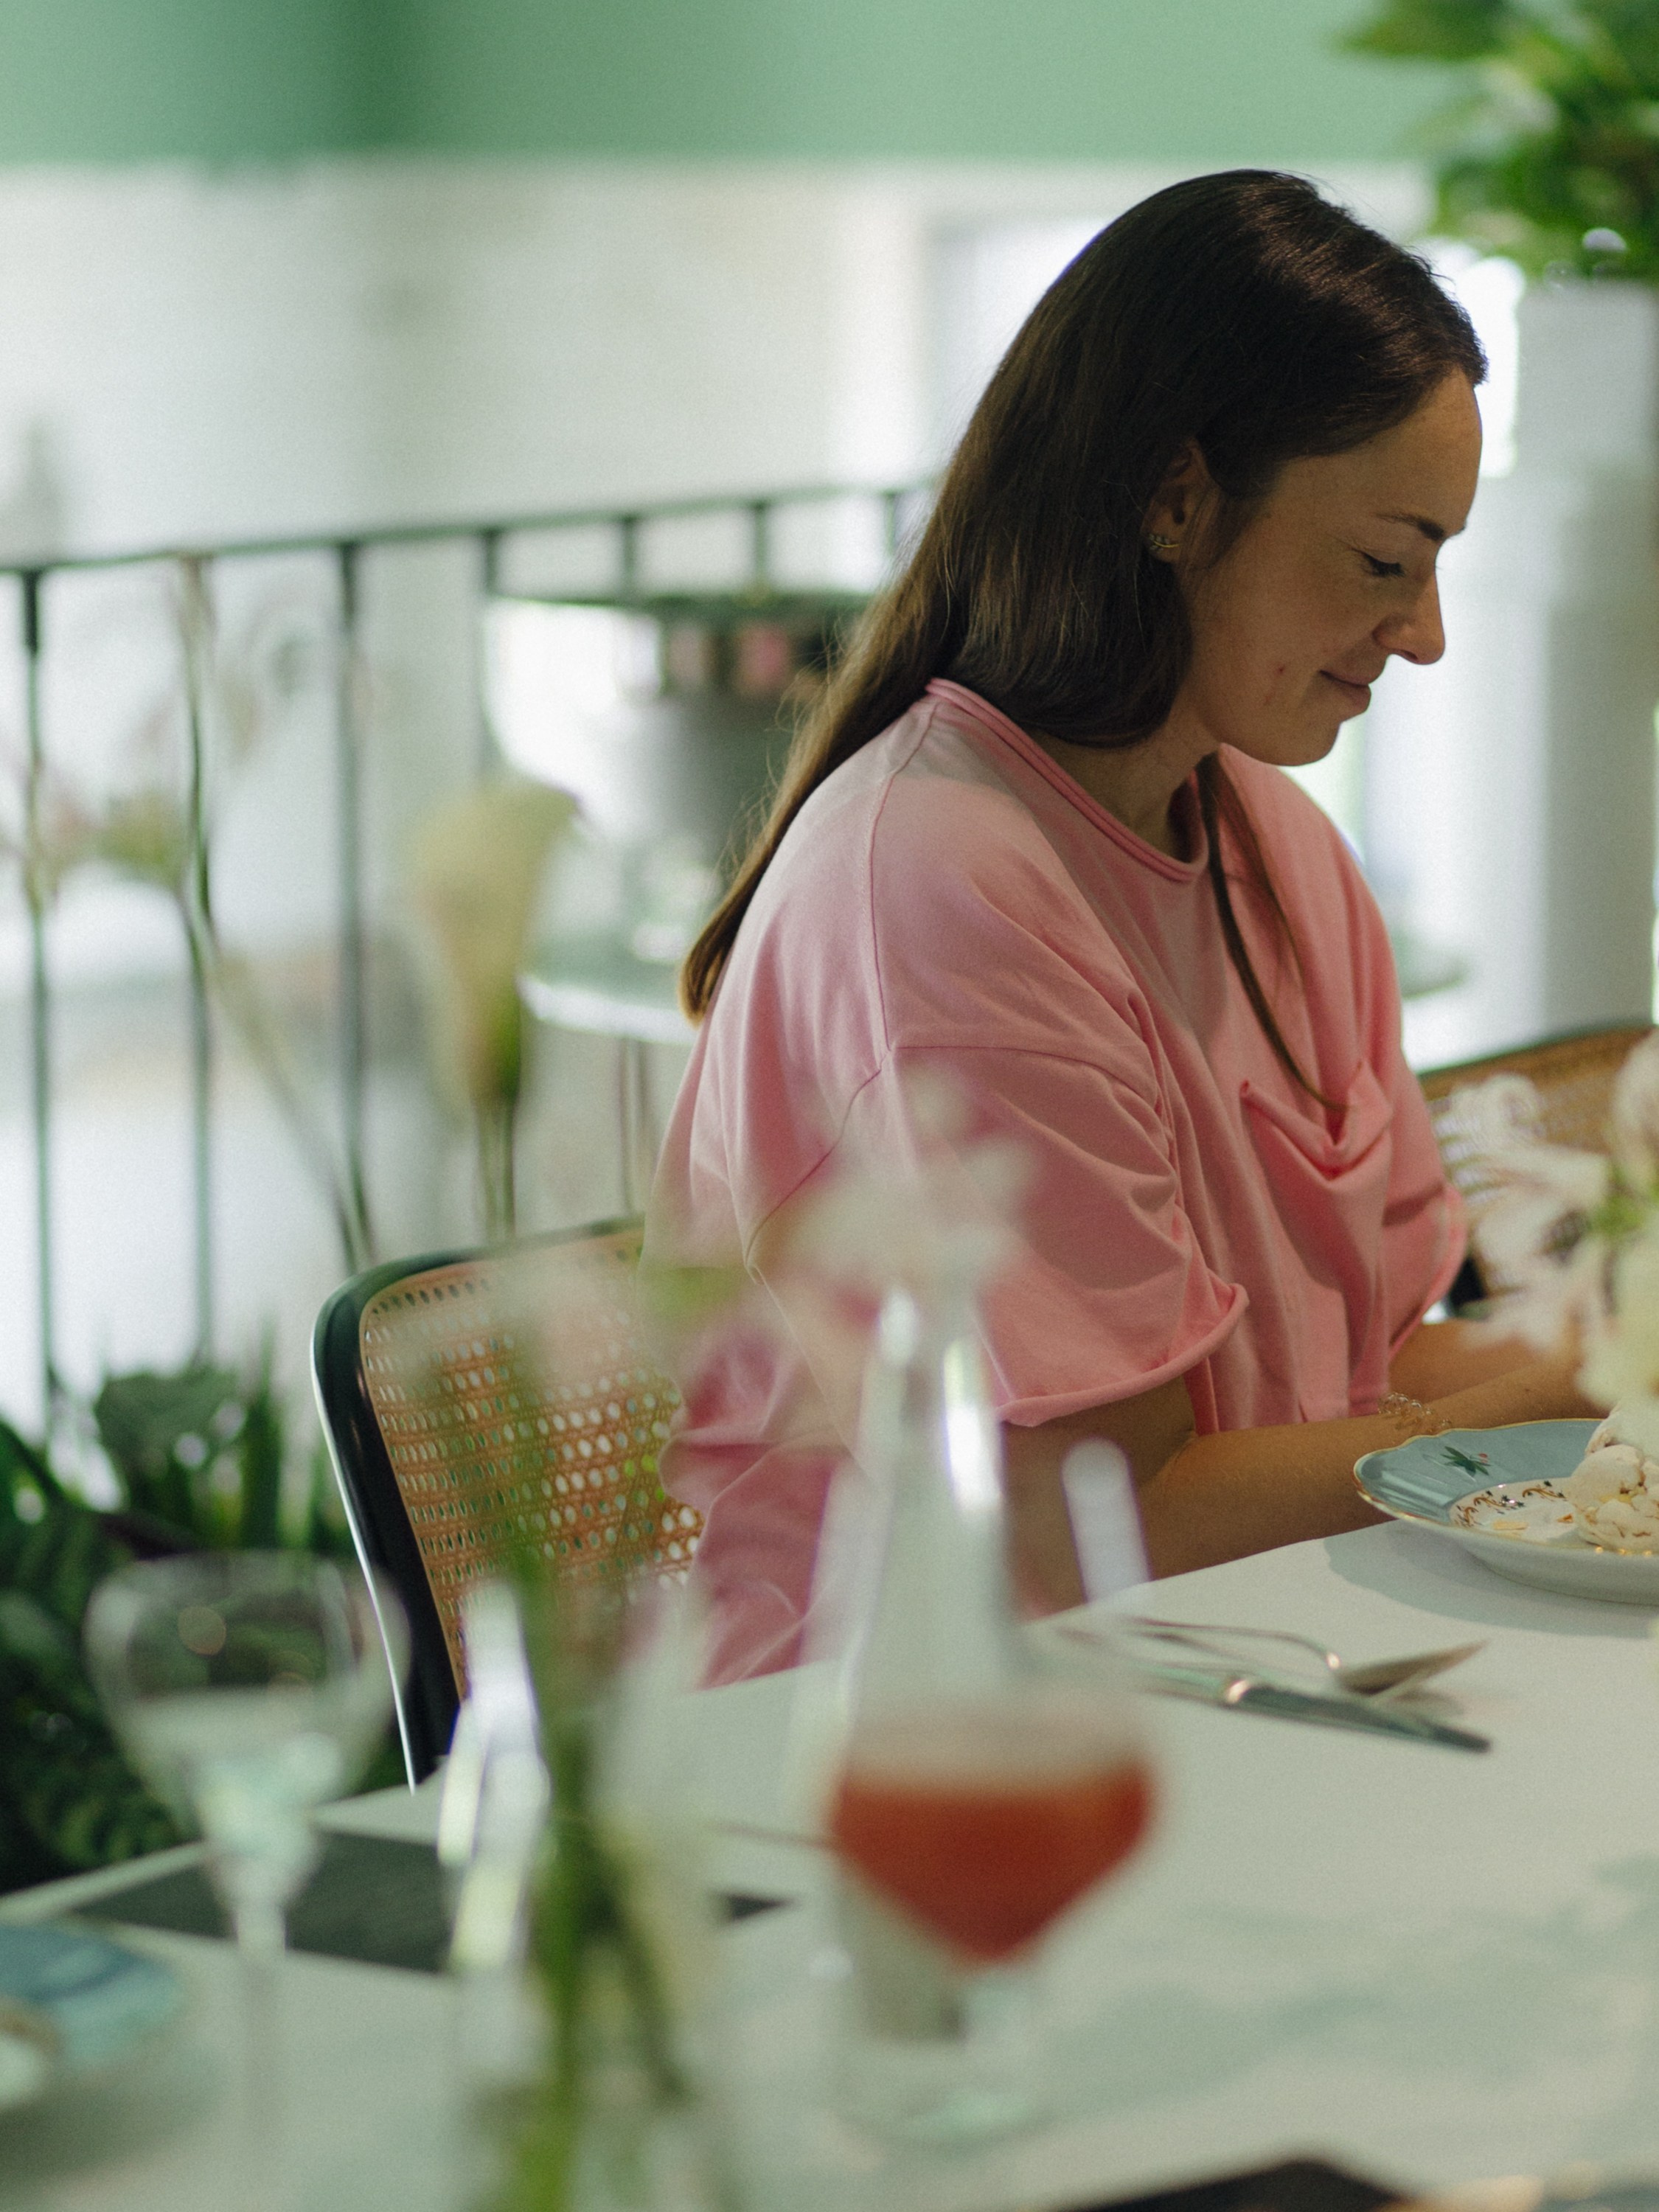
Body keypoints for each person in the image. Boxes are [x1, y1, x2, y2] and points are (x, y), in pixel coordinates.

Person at [646, 170, 1593, 1685]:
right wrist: (1580, 1387)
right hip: (906, 1728)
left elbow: (1365, 1373)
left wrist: (1613, 1340)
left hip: (1246, 1657)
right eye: (1383, 561)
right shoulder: (942, 882)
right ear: (1174, 498)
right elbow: (1104, 1525)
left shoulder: (1277, 847)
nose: (1423, 635)